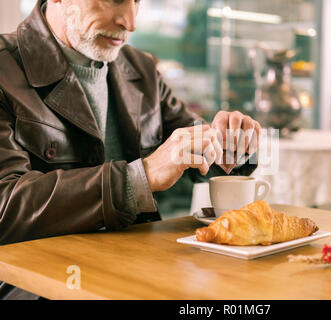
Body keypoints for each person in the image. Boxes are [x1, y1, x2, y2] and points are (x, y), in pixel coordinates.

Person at [0, 0, 260, 299]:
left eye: (138, 1)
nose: (131, 22)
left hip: (136, 268)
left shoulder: (140, 67)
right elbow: (4, 205)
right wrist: (140, 177)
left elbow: (197, 146)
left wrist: (233, 145)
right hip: (33, 280)